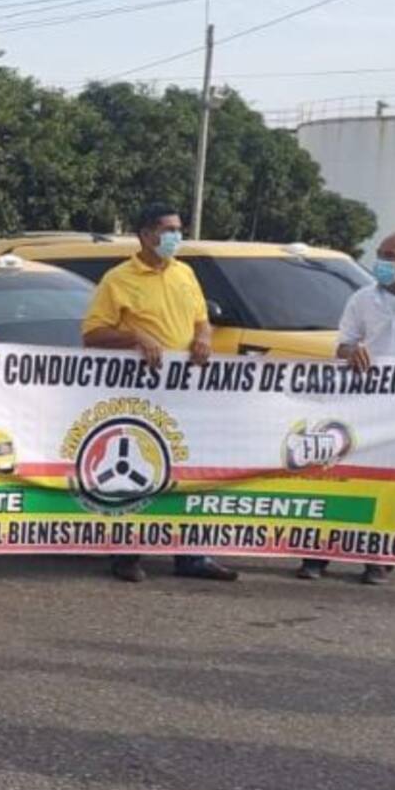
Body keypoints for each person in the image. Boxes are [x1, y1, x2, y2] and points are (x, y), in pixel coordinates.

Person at [82, 202, 238, 584]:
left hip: (186, 392)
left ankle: (193, 555)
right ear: (146, 234)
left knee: (193, 469)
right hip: (141, 393)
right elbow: (92, 334)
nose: (176, 236)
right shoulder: (118, 279)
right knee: (139, 467)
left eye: (178, 229)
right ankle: (127, 553)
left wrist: (203, 337)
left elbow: (201, 318)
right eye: (169, 229)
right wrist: (135, 335)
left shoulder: (185, 273)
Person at [298, 230, 395, 586]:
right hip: (361, 401)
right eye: (380, 254)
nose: (383, 262)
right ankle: (318, 555)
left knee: (388, 481)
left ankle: (377, 557)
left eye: (391, 255)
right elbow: (342, 344)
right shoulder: (362, 298)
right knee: (339, 471)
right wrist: (351, 351)